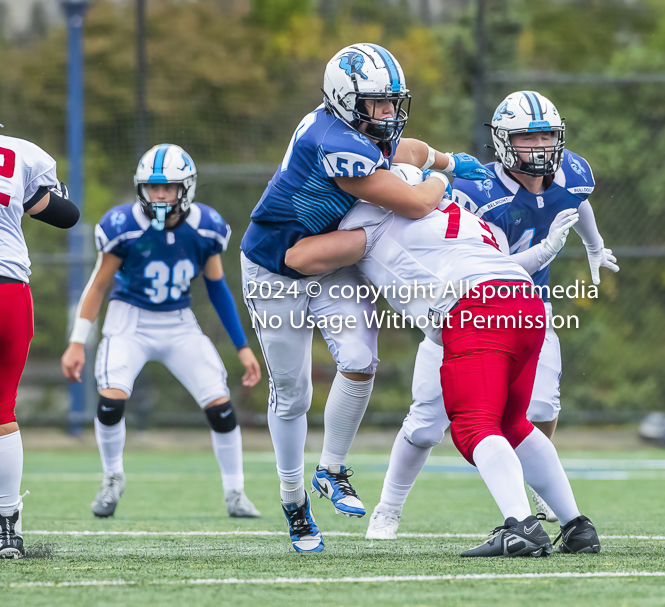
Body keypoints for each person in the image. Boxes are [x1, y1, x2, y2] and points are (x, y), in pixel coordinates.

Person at [239, 43, 493, 552]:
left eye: (391, 101)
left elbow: (407, 150)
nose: (387, 113)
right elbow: (418, 202)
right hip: (276, 264)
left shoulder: (354, 128)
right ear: (344, 99)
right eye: (376, 103)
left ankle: (331, 469)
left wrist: (445, 157)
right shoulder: (335, 141)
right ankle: (293, 501)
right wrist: (442, 177)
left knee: (359, 360)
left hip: (328, 255)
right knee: (292, 396)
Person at [286, 163, 600, 558]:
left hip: (476, 311)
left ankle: (521, 526)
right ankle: (576, 526)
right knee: (513, 424)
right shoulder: (463, 217)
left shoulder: (374, 221)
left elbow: (299, 257)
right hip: (527, 306)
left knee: (472, 426)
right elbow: (496, 267)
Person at [366, 91, 615, 543]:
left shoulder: (572, 171)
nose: (539, 147)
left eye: (546, 136)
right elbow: (488, 266)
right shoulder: (472, 189)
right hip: (476, 308)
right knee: (426, 424)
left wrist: (593, 244)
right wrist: (544, 252)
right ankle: (389, 509)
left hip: (503, 308)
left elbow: (575, 202)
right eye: (527, 137)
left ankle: (530, 514)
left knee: (520, 414)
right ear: (502, 142)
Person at [60, 144, 263, 520]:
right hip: (129, 320)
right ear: (141, 188)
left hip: (178, 322)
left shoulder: (206, 227)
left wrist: (242, 347)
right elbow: (98, 284)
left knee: (220, 406)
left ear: (187, 188)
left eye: (168, 187)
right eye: (153, 187)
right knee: (111, 399)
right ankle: (112, 478)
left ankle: (236, 492)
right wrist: (77, 341)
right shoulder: (124, 226)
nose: (160, 195)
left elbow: (217, 288)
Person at [0, 131, 80, 559]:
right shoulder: (21, 153)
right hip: (9, 291)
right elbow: (67, 216)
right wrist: (55, 195)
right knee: (2, 412)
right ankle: (6, 526)